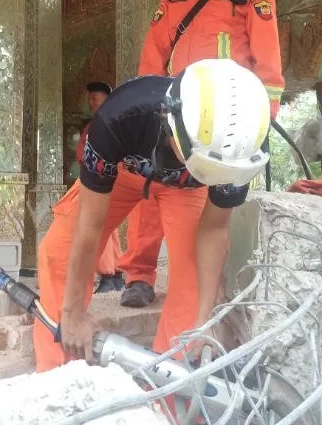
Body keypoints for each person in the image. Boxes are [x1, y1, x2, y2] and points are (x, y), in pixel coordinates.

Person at [34, 59, 271, 371]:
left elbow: (214, 230)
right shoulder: (120, 116)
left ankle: (170, 386)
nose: (201, 171)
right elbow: (90, 224)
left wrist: (204, 323)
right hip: (124, 170)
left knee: (194, 283)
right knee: (59, 253)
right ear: (169, 121)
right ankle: (57, 376)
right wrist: (73, 311)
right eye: (200, 164)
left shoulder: (243, 147)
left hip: (187, 191)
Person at [119, 0, 285, 309]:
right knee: (152, 185)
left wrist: (266, 114)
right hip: (176, 108)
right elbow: (154, 52)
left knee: (217, 198)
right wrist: (148, 103)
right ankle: (138, 276)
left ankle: (208, 281)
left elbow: (267, 55)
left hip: (230, 112)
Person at [77, 81, 124, 294]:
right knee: (109, 229)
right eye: (90, 99)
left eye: (95, 98)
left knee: (98, 226)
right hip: (99, 179)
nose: (91, 102)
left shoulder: (108, 122)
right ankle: (115, 273)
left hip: (103, 181)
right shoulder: (96, 123)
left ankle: (107, 273)